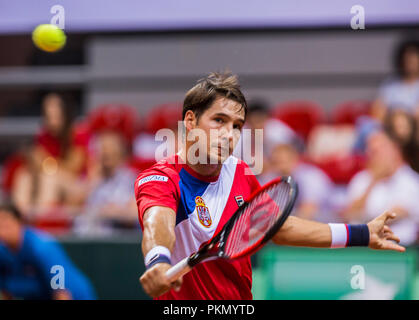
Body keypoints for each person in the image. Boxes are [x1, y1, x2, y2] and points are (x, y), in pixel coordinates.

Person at [135, 71, 405, 300]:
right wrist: (158, 260)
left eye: (237, 126)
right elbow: (158, 222)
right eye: (219, 120)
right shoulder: (160, 179)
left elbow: (277, 228)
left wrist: (361, 234)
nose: (229, 134)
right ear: (191, 121)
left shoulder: (239, 172)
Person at [0, 201, 96, 300]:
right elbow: (6, 292)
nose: (2, 230)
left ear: (20, 222)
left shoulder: (41, 247)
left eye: (6, 223)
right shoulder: (3, 252)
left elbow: (62, 292)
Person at [343, 127, 419, 246]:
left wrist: (364, 221)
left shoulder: (411, 180)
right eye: (370, 152)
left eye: (376, 151)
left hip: (402, 247)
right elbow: (349, 213)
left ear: (395, 151)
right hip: (364, 247)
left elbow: (397, 214)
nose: (371, 156)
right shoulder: (362, 179)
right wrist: (373, 182)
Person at [74, 131, 138, 235]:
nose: (105, 152)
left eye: (110, 148)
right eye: (102, 148)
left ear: (119, 152)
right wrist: (92, 181)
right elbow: (72, 206)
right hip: (85, 236)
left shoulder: (130, 179)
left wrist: (113, 212)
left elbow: (134, 214)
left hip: (113, 238)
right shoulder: (92, 177)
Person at [261, 139, 336, 222]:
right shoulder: (275, 179)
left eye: (283, 162)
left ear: (294, 159)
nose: (280, 167)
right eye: (275, 163)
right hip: (295, 223)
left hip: (327, 222)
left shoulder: (311, 177)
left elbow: (307, 212)